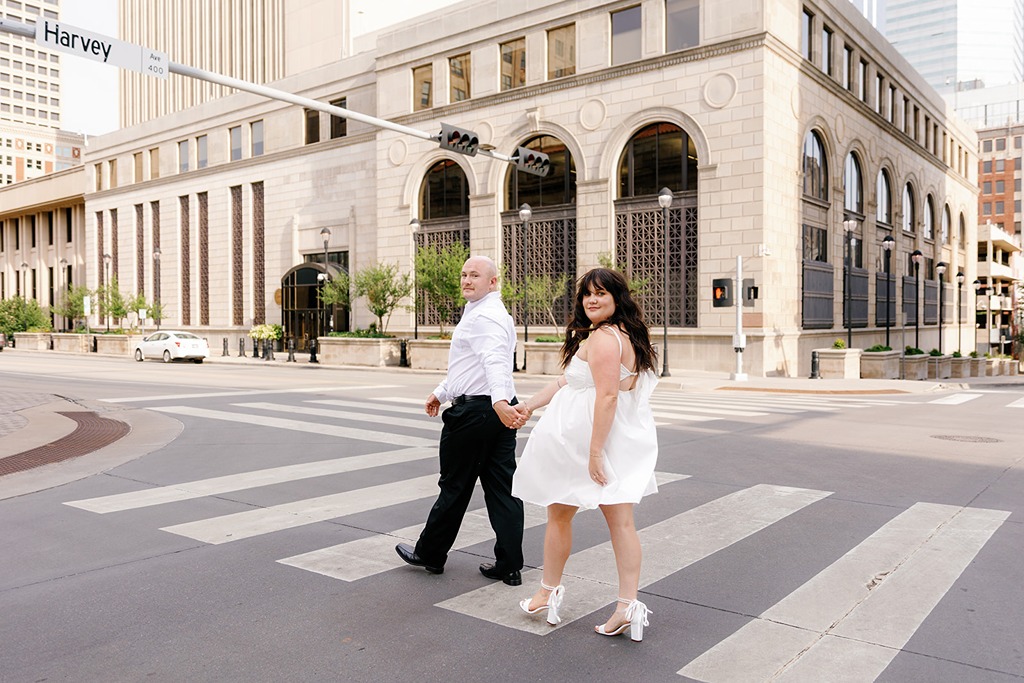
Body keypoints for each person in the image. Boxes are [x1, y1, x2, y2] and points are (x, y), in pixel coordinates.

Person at [512, 267, 659, 641]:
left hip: (589, 442)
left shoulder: (607, 338)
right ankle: (571, 596)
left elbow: (608, 396)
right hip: (590, 440)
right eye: (587, 294)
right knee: (589, 516)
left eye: (601, 294)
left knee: (571, 516)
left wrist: (595, 454)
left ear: (616, 299)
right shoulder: (613, 333)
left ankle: (570, 596)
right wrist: (529, 405)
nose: (592, 300)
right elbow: (568, 381)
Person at [396, 255, 526, 585]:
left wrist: (497, 400)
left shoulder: (485, 317)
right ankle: (509, 565)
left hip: (478, 413)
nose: (467, 280)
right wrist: (441, 392)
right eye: (464, 274)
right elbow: (471, 367)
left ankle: (431, 554)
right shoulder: (489, 313)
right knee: (502, 490)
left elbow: (495, 362)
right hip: (495, 410)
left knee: (454, 486)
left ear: (493, 282)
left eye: (475, 275)